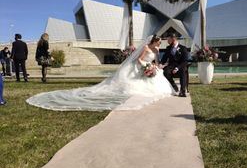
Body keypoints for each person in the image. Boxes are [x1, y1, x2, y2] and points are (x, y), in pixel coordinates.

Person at [26, 35, 174, 111]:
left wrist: (155, 66)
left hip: (150, 68)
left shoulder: (155, 50)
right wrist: (146, 65)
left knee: (158, 78)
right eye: (158, 42)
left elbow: (155, 60)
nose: (159, 44)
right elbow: (139, 60)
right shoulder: (146, 48)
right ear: (153, 41)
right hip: (141, 66)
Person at [160, 33, 188, 97]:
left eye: (168, 39)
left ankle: (182, 91)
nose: (167, 41)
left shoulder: (183, 48)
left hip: (180, 66)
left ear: (173, 39)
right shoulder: (168, 48)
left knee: (183, 71)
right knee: (165, 72)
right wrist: (161, 64)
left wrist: (177, 68)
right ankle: (174, 87)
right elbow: (164, 58)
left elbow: (184, 61)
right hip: (171, 66)